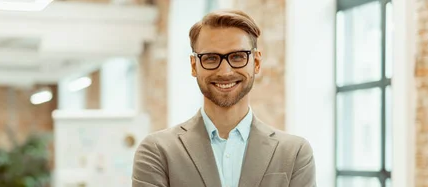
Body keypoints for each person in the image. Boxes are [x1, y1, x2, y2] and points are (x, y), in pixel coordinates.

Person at [132, 9, 316, 187]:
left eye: (237, 56)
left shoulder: (295, 153)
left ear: (257, 62)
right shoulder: (157, 151)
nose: (225, 71)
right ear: (194, 65)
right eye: (211, 58)